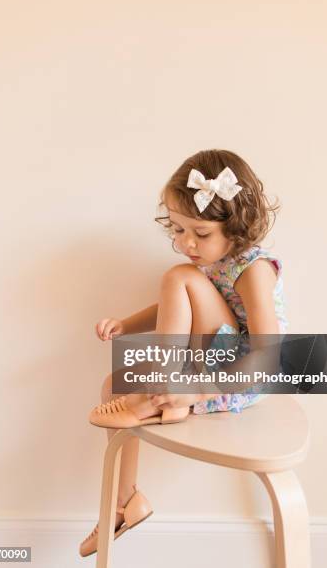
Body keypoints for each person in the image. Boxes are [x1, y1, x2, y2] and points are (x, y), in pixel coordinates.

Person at [79, 149, 288, 557]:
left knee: (178, 276)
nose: (185, 242)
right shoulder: (211, 263)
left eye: (200, 233)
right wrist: (127, 323)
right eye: (177, 230)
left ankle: (166, 387)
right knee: (111, 387)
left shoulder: (253, 268)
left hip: (235, 376)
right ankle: (127, 503)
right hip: (205, 361)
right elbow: (175, 304)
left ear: (236, 226)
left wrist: (196, 392)